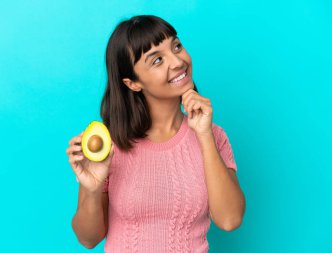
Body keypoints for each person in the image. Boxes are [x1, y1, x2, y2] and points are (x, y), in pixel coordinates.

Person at [66, 15, 246, 253]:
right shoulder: (110, 144)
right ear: (132, 83)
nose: (177, 62)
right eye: (157, 60)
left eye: (177, 46)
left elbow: (230, 219)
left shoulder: (213, 135)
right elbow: (88, 239)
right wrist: (91, 189)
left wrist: (204, 136)